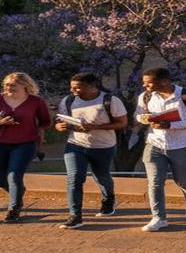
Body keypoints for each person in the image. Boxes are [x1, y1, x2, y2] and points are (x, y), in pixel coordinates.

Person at [53, 72, 129, 230]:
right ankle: (75, 216)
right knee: (74, 178)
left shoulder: (110, 101)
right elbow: (60, 121)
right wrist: (59, 127)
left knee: (101, 177)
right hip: (75, 144)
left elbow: (122, 123)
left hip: (103, 146)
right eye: (72, 87)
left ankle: (108, 200)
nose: (74, 91)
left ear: (92, 87)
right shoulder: (69, 101)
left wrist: (93, 127)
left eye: (78, 88)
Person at [136, 67, 186, 232]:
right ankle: (158, 218)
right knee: (155, 182)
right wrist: (146, 119)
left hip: (182, 145)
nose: (144, 86)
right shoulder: (145, 97)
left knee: (183, 180)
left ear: (164, 82)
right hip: (154, 143)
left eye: (148, 83)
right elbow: (138, 115)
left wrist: (172, 125)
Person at [0, 72, 51, 223]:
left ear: (25, 85)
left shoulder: (36, 102)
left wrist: (37, 130)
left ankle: (14, 209)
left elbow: (46, 122)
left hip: (26, 143)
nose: (9, 87)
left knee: (14, 176)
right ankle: (18, 192)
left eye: (13, 85)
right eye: (6, 84)